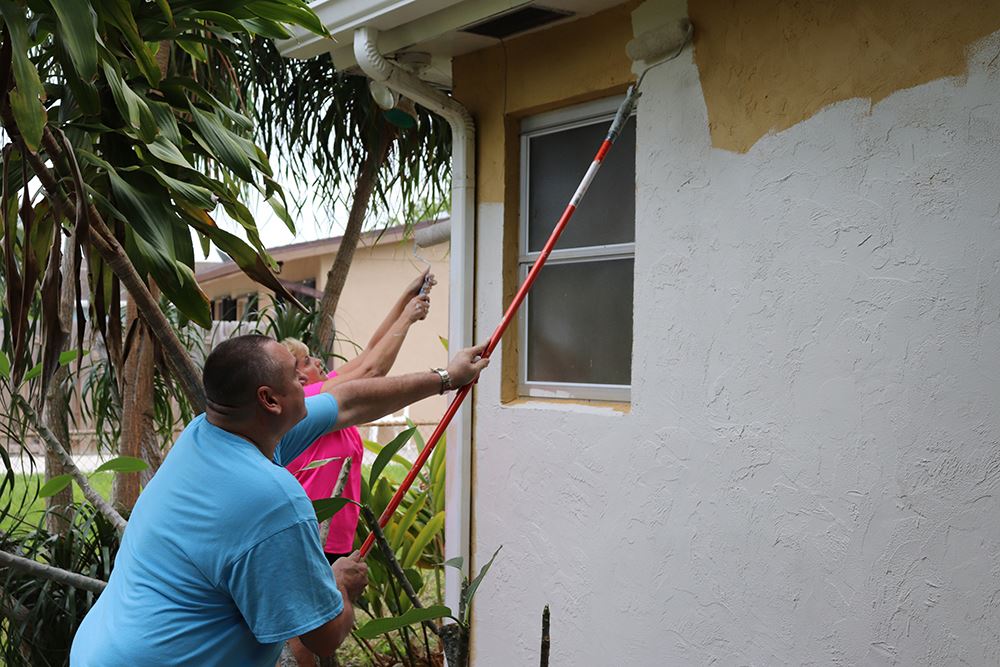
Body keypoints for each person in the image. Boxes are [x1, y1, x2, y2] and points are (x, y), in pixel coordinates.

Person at [69, 334, 488, 667]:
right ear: (270, 400)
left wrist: (446, 378)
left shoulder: (207, 434)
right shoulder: (272, 502)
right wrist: (338, 585)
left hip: (99, 649)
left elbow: (347, 402)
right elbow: (322, 636)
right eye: (296, 374)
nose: (307, 381)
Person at [282, 270, 436, 564]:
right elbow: (372, 372)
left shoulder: (322, 393)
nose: (317, 360)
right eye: (306, 360)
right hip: (312, 536)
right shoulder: (308, 400)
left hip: (333, 535)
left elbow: (369, 354)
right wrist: (408, 317)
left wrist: (407, 297)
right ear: (298, 378)